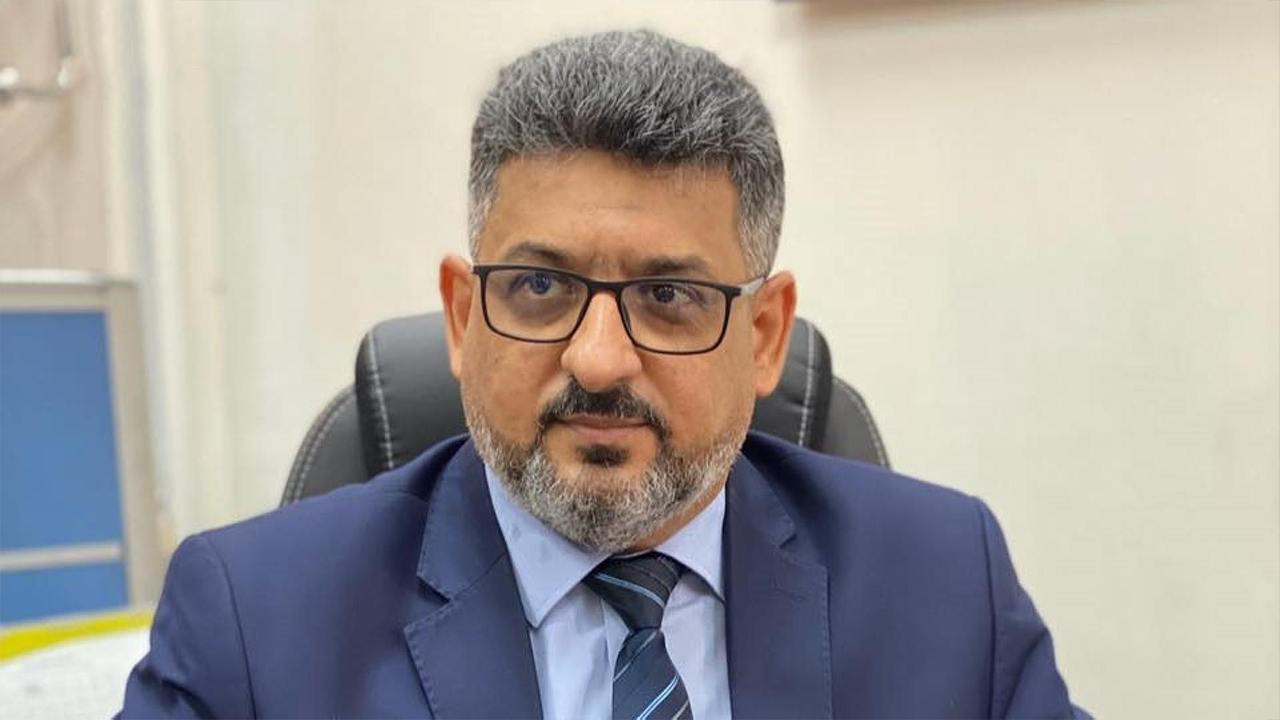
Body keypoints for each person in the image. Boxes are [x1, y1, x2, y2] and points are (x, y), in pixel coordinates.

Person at [119, 29, 1086, 719]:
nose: (597, 358)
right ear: (463, 316)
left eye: (669, 296)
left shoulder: (945, 585)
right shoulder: (252, 624)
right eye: (539, 287)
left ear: (763, 336)